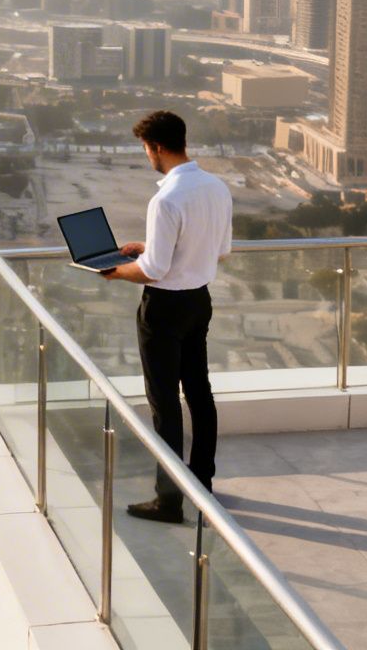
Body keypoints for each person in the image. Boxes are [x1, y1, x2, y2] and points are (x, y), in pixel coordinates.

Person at [99, 109, 231, 524]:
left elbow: (153, 271)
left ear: (155, 147)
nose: (147, 157)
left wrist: (114, 271)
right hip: (198, 301)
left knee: (165, 406)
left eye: (145, 149)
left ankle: (168, 499)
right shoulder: (215, 187)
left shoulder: (166, 199)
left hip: (164, 308)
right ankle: (202, 485)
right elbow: (219, 249)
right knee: (199, 393)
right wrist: (149, 245)